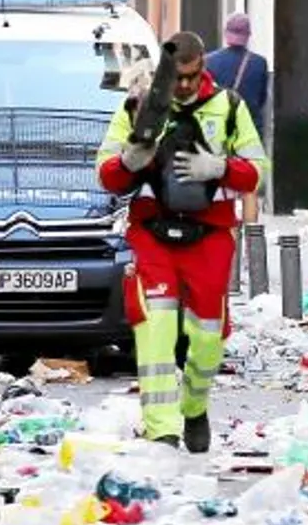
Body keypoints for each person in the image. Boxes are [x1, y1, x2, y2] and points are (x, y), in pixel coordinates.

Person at [96, 31, 270, 452]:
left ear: (202, 69)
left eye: (193, 76)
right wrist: (128, 161)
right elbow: (106, 175)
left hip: (209, 234)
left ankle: (194, 406)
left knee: (208, 336)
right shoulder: (138, 107)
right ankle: (162, 429)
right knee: (155, 325)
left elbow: (257, 171)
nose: (186, 85)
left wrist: (219, 167)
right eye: (179, 77)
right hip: (153, 232)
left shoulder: (228, 107)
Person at [205, 12, 269, 224]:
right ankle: (252, 237)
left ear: (226, 34)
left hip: (218, 131)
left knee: (221, 180)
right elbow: (261, 99)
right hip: (249, 132)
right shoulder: (259, 63)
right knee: (248, 184)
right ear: (248, 35)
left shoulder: (209, 62)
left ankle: (225, 228)